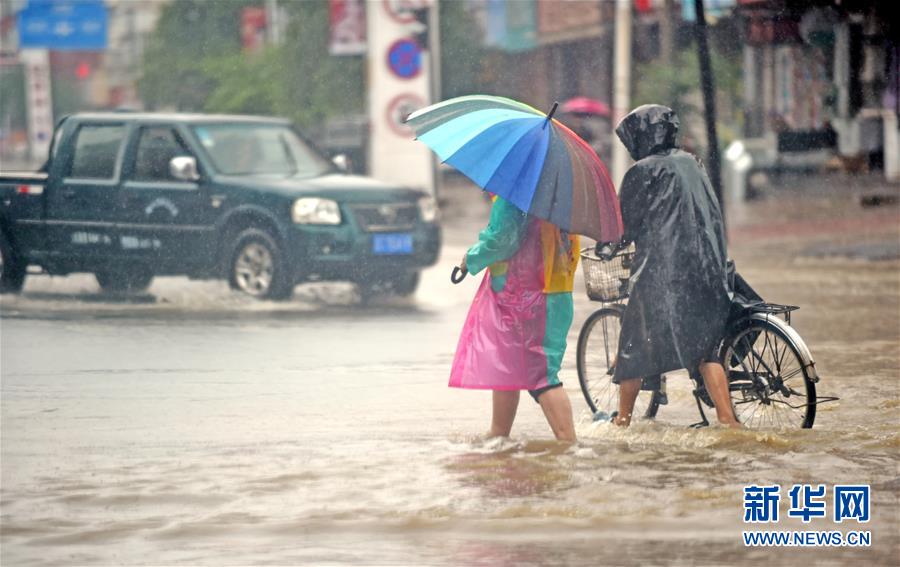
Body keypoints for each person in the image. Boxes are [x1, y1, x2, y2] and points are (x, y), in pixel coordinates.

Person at [608, 104, 741, 429]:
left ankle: (622, 421)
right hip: (708, 269)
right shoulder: (691, 163)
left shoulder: (643, 171)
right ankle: (728, 421)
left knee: (633, 345)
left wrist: (609, 244)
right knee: (705, 350)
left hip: (663, 273)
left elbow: (626, 225)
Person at [452, 197, 580, 442]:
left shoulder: (514, 196)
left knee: (542, 375)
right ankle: (499, 435)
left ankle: (568, 447)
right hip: (554, 291)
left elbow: (502, 240)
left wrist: (471, 258)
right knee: (507, 364)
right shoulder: (560, 193)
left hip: (525, 295)